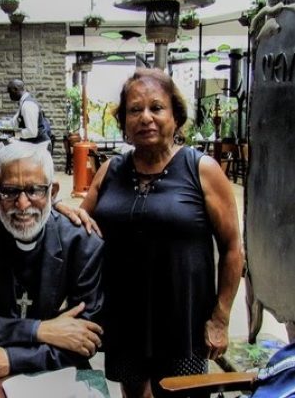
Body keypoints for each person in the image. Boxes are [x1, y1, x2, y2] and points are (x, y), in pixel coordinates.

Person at [80, 68, 244, 398]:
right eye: (135, 110)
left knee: (183, 393)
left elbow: (232, 247)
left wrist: (220, 318)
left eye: (156, 108)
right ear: (124, 120)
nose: (145, 118)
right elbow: (79, 223)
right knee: (134, 394)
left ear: (176, 116)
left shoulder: (201, 170)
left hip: (184, 319)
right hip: (126, 316)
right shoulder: (111, 170)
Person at [0, 141, 104, 380]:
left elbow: (87, 340)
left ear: (53, 192)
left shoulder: (84, 246)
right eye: (9, 191)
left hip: (57, 376)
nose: (22, 204)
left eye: (35, 190)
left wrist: (12, 360)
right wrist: (38, 330)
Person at [7, 79, 51, 146]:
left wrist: (14, 133)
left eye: (10, 92)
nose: (9, 96)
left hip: (40, 147)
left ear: (15, 89)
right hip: (36, 146)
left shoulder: (28, 105)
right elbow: (14, 122)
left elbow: (32, 132)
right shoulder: (24, 102)